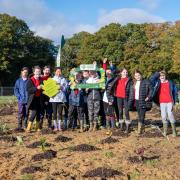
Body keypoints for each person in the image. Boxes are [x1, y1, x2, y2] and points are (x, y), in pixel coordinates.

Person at [150, 71, 179, 137]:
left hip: (169, 101)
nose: (162, 77)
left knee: (170, 114)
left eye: (163, 75)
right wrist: (157, 73)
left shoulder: (170, 82)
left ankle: (174, 132)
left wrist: (176, 101)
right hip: (162, 102)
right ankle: (165, 131)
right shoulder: (157, 83)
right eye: (160, 76)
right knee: (163, 116)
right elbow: (151, 79)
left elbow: (175, 92)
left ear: (165, 76)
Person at [128, 70, 153, 135]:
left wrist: (148, 97)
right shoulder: (133, 83)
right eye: (136, 76)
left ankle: (139, 131)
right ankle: (143, 129)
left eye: (138, 75)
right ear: (134, 76)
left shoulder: (146, 81)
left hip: (143, 100)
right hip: (136, 101)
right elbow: (131, 92)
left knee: (141, 116)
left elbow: (151, 90)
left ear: (141, 75)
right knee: (140, 115)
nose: (137, 77)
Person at [109, 68, 132, 133]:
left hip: (126, 98)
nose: (125, 73)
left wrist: (130, 98)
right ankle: (121, 126)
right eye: (124, 72)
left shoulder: (129, 80)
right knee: (120, 112)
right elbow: (112, 73)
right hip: (118, 97)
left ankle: (128, 127)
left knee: (126, 112)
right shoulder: (117, 78)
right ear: (121, 73)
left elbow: (130, 90)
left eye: (126, 72)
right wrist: (115, 68)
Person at [49, 67, 68, 132]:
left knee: (60, 113)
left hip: (61, 98)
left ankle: (59, 127)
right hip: (54, 98)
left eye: (60, 71)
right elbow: (49, 89)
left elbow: (66, 88)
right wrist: (55, 87)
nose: (59, 73)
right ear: (55, 72)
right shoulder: (52, 79)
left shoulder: (63, 79)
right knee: (54, 113)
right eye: (57, 71)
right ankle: (55, 126)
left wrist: (61, 87)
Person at [26, 66, 43, 132]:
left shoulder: (41, 80)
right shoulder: (30, 80)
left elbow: (44, 88)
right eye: (37, 71)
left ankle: (37, 127)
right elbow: (28, 90)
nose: (38, 73)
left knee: (38, 112)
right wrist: (36, 88)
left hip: (39, 98)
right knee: (34, 112)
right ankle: (29, 127)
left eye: (39, 71)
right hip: (33, 99)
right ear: (34, 72)